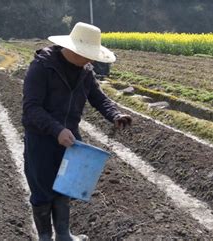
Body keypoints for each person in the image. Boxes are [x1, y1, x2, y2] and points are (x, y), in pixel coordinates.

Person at [22, 22, 132, 241]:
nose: (91, 60)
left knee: (66, 187)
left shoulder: (85, 71)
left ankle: (63, 235)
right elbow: (31, 108)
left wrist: (115, 114)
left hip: (70, 138)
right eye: (88, 55)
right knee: (42, 191)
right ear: (73, 49)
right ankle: (45, 237)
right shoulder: (43, 67)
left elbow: (98, 97)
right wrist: (57, 130)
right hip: (41, 139)